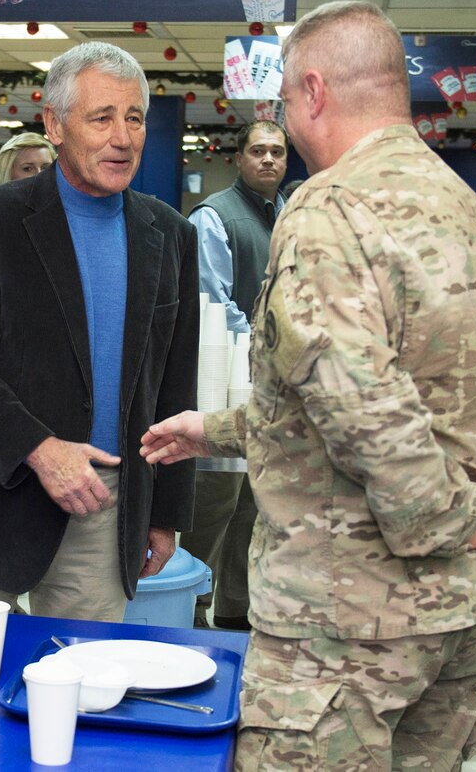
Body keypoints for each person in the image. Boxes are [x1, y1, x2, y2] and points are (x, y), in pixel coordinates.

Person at [139, 1, 476, 769]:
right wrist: (211, 429)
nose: (285, 123)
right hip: (464, 606)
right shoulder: (465, 206)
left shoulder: (327, 208)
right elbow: (388, 389)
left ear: (313, 91)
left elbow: (363, 408)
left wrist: (447, 516)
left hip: (350, 613)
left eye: (284, 100)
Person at [0, 41, 198, 620]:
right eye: (102, 118)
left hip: (104, 505)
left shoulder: (169, 235)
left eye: (135, 118)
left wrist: (166, 512)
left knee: (80, 683)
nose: (123, 137)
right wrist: (39, 450)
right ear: (55, 124)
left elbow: (174, 384)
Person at [183, 120, 288, 631]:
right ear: (239, 158)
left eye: (277, 152)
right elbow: (211, 298)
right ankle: (191, 610)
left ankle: (235, 610)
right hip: (222, 374)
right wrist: (264, 339)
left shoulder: (288, 214)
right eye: (258, 151)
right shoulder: (214, 216)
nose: (268, 160)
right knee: (215, 502)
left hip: (272, 382)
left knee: (255, 500)